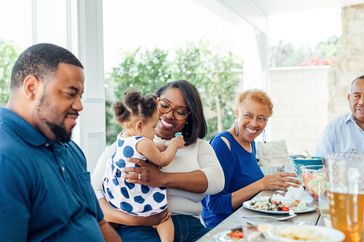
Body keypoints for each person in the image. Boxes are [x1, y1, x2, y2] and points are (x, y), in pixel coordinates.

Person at [0, 43, 121, 241]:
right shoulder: (6, 160)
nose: (79, 105)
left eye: (80, 95)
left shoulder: (68, 147)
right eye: (70, 93)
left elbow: (99, 222)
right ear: (31, 87)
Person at [92, 80, 225, 242]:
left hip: (190, 225)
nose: (169, 114)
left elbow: (217, 181)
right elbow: (95, 194)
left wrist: (162, 179)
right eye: (164, 105)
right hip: (140, 227)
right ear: (153, 103)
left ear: (189, 116)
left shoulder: (199, 146)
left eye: (181, 111)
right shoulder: (130, 143)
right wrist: (136, 220)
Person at [201, 89, 300, 228]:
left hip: (249, 221)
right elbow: (215, 205)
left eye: (261, 118)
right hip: (226, 228)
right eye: (248, 115)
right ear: (237, 114)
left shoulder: (250, 143)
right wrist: (262, 184)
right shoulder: (223, 144)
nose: (254, 124)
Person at [103, 89, 185, 242]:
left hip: (121, 196)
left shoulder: (123, 137)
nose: (155, 132)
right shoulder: (144, 143)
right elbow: (162, 160)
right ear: (140, 126)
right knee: (164, 219)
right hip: (138, 196)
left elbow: (150, 148)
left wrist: (162, 145)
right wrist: (173, 145)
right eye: (154, 126)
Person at [316, 76, 364, 157]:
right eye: (356, 96)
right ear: (349, 98)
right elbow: (321, 163)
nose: (362, 102)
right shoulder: (334, 129)